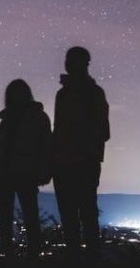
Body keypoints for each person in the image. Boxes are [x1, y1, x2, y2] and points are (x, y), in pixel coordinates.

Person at [0, 78, 52, 258]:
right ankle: (10, 254)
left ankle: (32, 254)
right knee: (8, 219)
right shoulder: (9, 120)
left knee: (29, 217)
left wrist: (43, 172)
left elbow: (46, 147)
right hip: (8, 174)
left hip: (25, 174)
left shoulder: (36, 118)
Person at [52, 46, 110, 258]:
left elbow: (102, 130)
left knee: (84, 214)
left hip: (82, 164)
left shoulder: (91, 94)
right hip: (70, 164)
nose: (67, 63)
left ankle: (87, 257)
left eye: (71, 60)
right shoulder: (65, 94)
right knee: (74, 216)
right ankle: (78, 257)